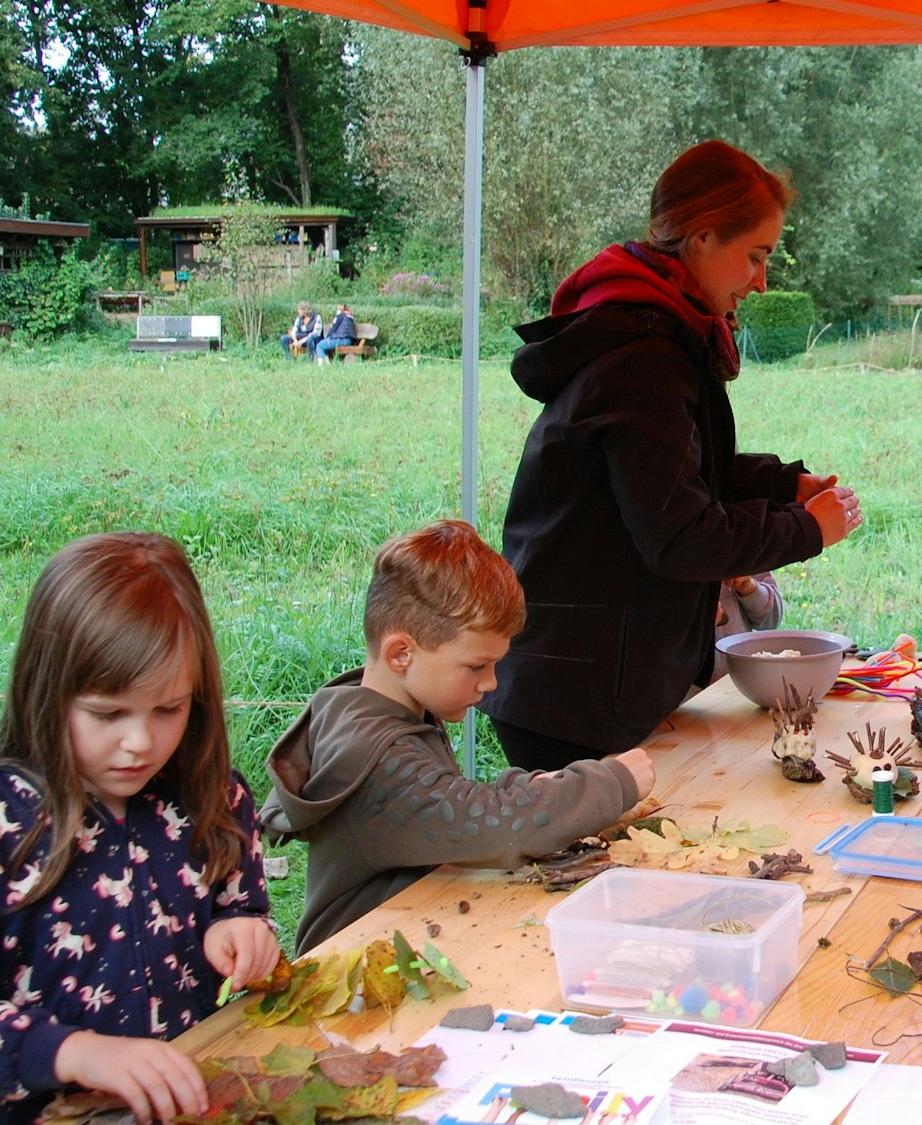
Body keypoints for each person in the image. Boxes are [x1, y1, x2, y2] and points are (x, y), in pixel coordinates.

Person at [478, 140, 862, 774]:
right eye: (757, 257)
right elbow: (679, 534)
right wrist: (805, 529)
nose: (762, 282)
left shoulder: (652, 332)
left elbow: (669, 472)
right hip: (576, 699)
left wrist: (778, 484)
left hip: (586, 678)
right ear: (704, 236)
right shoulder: (643, 356)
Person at [0, 533, 279, 1125]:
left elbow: (245, 912)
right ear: (47, 686)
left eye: (169, 709)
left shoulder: (215, 798)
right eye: (107, 713)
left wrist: (246, 934)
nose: (140, 742)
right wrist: (70, 1052)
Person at [260, 520, 655, 952]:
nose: (491, 684)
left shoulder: (375, 710)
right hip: (353, 972)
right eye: (476, 666)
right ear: (401, 653)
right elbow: (501, 826)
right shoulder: (376, 759)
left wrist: (527, 787)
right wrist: (612, 782)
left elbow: (447, 801)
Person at [708, 572, 783, 685]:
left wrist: (748, 587)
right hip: (682, 691)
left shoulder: (743, 555)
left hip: (738, 681)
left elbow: (771, 620)